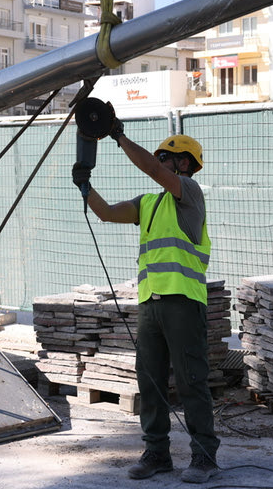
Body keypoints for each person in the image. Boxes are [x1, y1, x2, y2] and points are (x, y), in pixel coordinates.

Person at [72, 120, 220, 484]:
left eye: (167, 158)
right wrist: (85, 186)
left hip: (183, 301)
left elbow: (152, 170)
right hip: (150, 304)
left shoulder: (190, 194)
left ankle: (204, 457)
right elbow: (106, 213)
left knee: (191, 380)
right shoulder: (148, 204)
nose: (160, 162)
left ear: (184, 164)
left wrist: (117, 135)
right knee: (150, 379)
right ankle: (157, 453)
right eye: (161, 158)